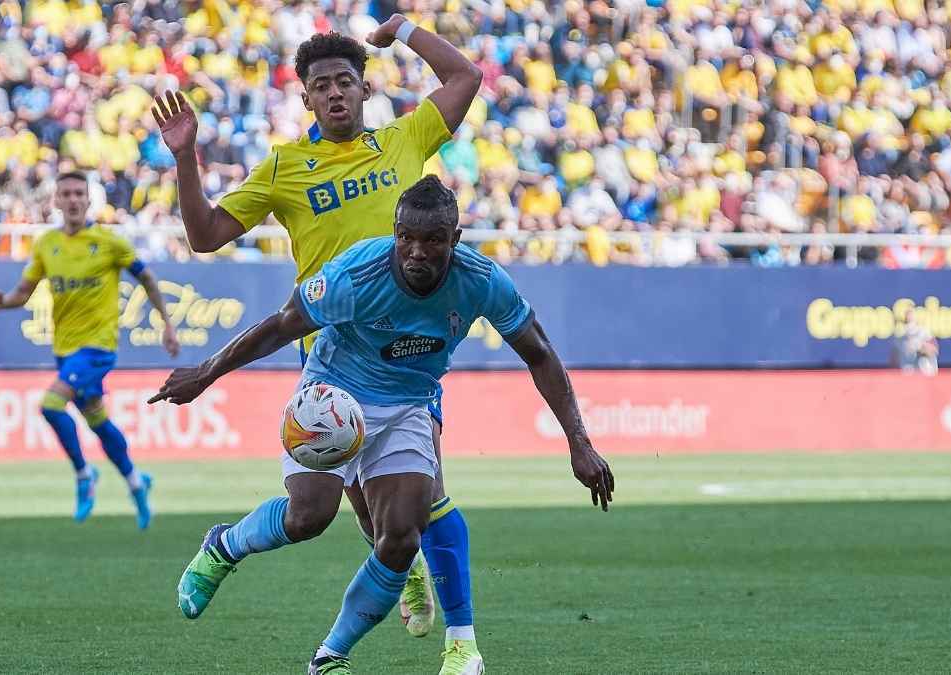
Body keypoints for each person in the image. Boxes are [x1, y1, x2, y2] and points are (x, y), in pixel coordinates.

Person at [150, 176, 615, 675]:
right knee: (309, 517)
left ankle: (330, 656)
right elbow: (281, 326)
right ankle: (224, 546)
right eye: (406, 237)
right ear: (395, 232)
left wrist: (579, 442)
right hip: (334, 394)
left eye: (433, 240)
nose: (416, 251)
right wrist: (206, 373)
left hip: (409, 404)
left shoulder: (481, 280)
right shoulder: (356, 275)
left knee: (401, 538)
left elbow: (539, 353)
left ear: (455, 240)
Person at [151, 17, 488, 672]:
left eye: (345, 81)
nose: (335, 92)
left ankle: (446, 629)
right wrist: (186, 158)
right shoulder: (286, 167)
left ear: (364, 89)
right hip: (331, 358)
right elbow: (205, 235)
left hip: (409, 356)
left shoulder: (404, 139)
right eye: (321, 85)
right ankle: (225, 545)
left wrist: (403, 28)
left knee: (418, 500)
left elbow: (465, 76)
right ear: (305, 98)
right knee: (318, 514)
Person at [0, 171, 180, 529]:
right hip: (65, 349)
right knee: (96, 419)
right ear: (56, 201)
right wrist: (3, 302)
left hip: (98, 348)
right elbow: (23, 293)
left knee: (51, 405)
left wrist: (166, 323)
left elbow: (147, 277)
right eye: (67, 194)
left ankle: (83, 474)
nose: (73, 199)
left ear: (89, 200)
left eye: (79, 193)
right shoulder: (46, 244)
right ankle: (136, 481)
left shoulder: (109, 242)